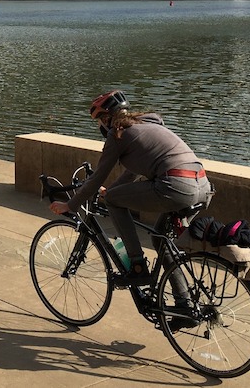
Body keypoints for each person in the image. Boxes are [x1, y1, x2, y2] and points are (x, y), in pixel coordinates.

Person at [49, 90, 213, 287]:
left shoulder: (118, 134)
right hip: (203, 185)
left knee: (113, 202)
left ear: (107, 118)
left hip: (175, 186)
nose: (99, 126)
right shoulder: (144, 125)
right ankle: (184, 305)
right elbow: (131, 173)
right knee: (160, 240)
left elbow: (97, 177)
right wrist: (111, 190)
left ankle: (137, 267)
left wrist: (71, 205)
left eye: (98, 121)